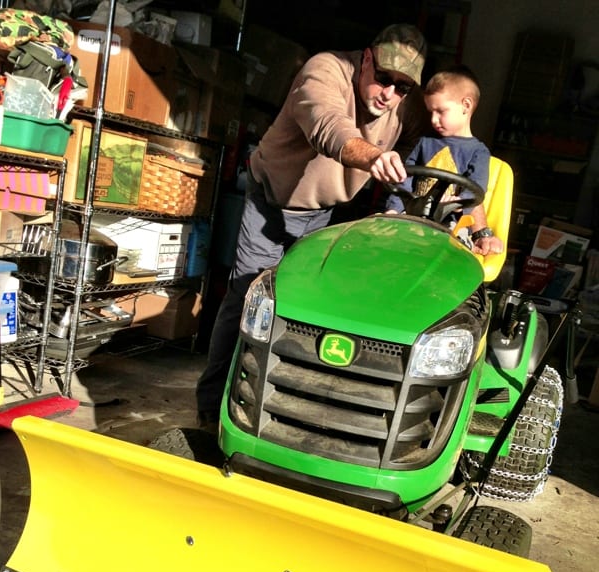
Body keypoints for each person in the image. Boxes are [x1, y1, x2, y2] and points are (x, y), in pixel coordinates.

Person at [196, 24, 430, 428]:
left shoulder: (405, 107)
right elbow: (328, 125)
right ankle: (212, 405)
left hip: (324, 211)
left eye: (402, 87)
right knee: (250, 297)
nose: (389, 94)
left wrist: (396, 169)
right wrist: (373, 156)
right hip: (271, 198)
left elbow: (413, 137)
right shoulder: (325, 69)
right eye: (384, 78)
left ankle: (284, 412)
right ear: (367, 58)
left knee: (306, 309)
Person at [385, 65, 504, 256]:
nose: (433, 119)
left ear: (466, 105)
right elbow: (404, 178)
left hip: (451, 223)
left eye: (440, 111)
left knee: (449, 249)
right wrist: (393, 210)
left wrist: (457, 202)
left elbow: (475, 188)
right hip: (414, 216)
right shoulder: (424, 142)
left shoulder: (478, 151)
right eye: (430, 111)